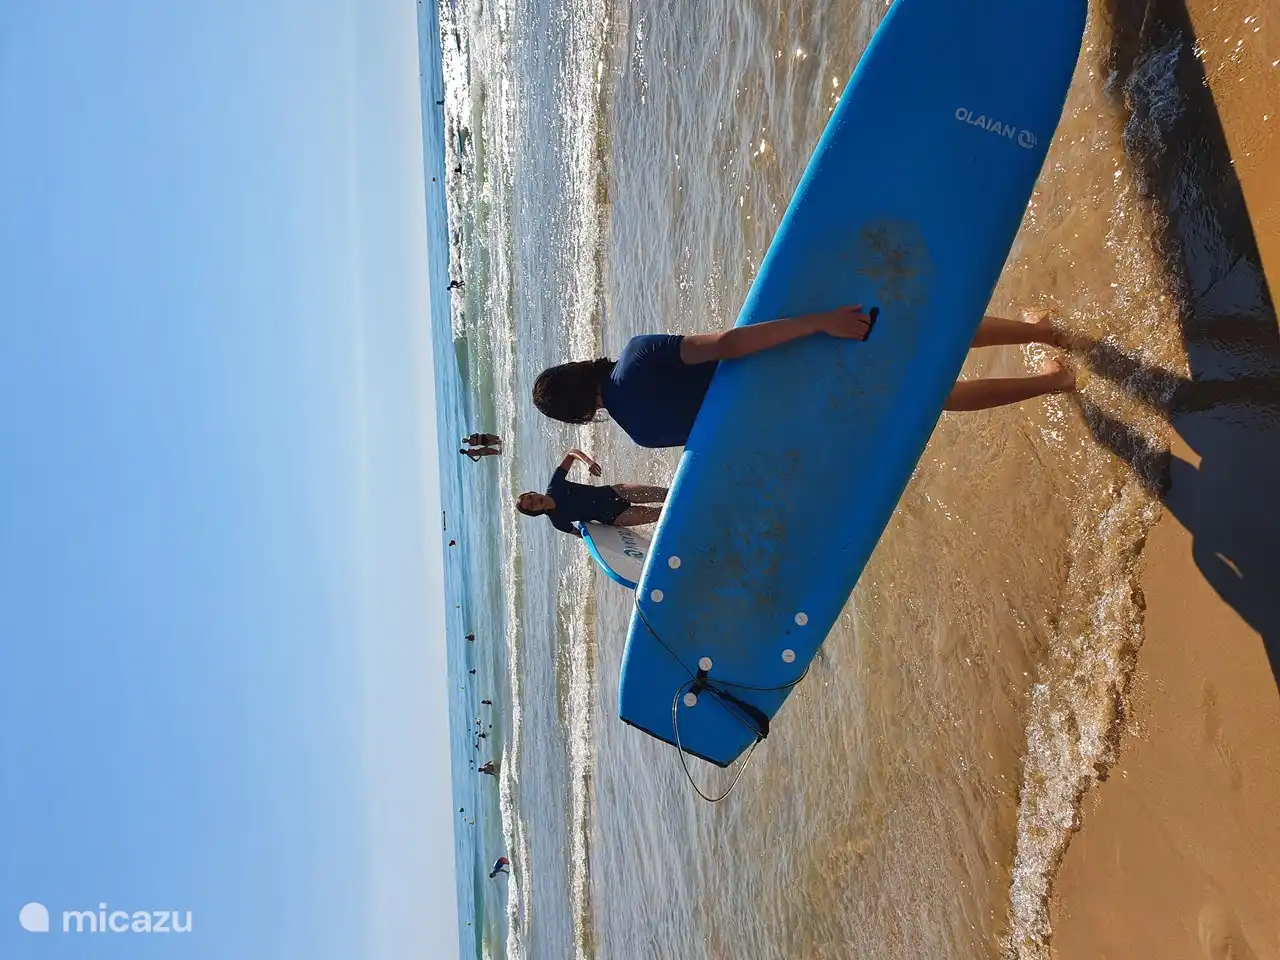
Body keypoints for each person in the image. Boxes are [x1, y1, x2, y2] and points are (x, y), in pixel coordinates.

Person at [531, 308, 1075, 448]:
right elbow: (728, 345)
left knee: (936, 397)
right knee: (931, 336)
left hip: (809, 409)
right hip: (804, 360)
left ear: (580, 413)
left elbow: (727, 432)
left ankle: (1054, 384)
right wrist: (819, 322)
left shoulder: (641, 435)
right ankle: (1044, 333)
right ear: (577, 368)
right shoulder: (638, 355)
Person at [516, 449, 667, 537]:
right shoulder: (558, 521)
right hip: (614, 516)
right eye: (531, 506)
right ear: (535, 512)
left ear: (533, 492)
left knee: (666, 494)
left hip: (614, 492)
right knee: (662, 514)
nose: (534, 501)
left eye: (531, 497)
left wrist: (588, 462)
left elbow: (571, 454)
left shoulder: (555, 485)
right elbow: (579, 534)